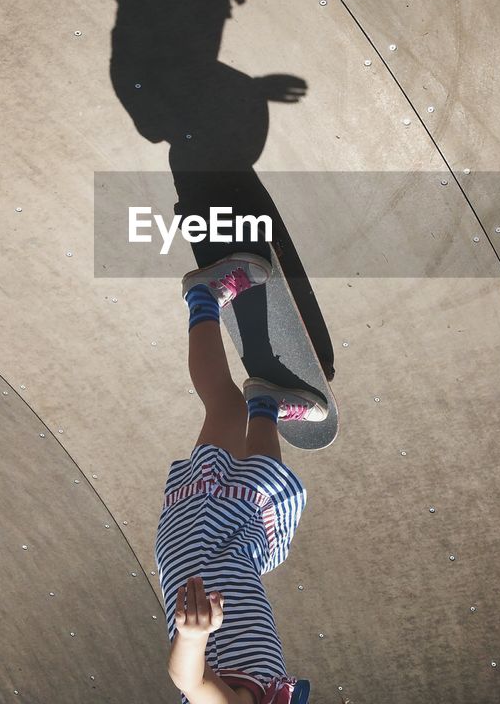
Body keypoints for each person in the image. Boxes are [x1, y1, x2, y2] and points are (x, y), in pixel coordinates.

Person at [155, 252, 326, 704]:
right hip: (235, 563)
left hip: (200, 550)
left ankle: (202, 298)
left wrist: (193, 639)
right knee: (262, 501)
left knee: (223, 408)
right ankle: (265, 404)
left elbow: (191, 682)